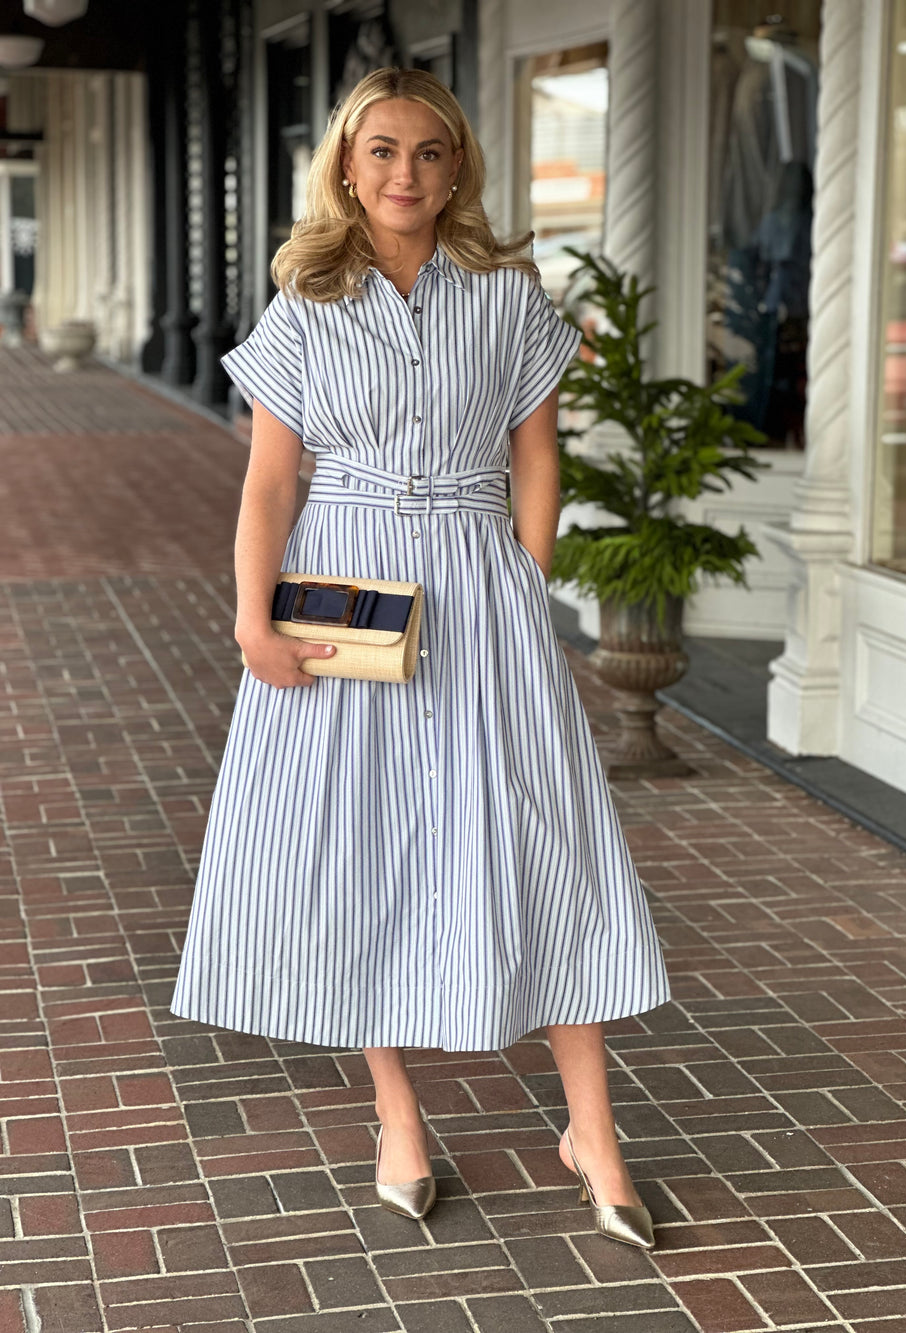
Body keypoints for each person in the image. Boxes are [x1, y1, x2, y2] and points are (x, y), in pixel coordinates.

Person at [170, 66, 671, 1251]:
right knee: (357, 838)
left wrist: (523, 583)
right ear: (348, 169)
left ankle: (591, 1130)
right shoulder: (305, 302)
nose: (406, 172)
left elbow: (537, 454)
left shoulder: (505, 294)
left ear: (457, 170)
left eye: (429, 152)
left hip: (480, 588)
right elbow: (271, 481)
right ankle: (398, 1116)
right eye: (383, 151)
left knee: (543, 839)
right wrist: (251, 620)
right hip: (342, 590)